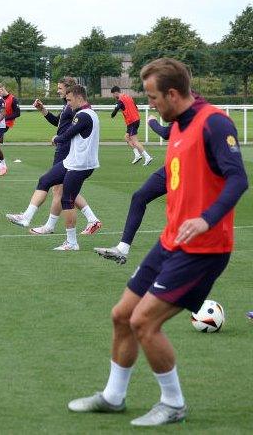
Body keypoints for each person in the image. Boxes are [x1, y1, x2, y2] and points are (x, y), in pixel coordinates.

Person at [67, 58, 246, 426]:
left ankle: (173, 402)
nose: (149, 106)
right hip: (170, 243)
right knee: (121, 316)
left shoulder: (213, 122)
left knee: (143, 322)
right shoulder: (177, 124)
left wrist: (205, 218)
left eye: (152, 98)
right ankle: (114, 397)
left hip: (203, 248)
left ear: (174, 93)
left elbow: (237, 179)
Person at [95, 95, 207, 265]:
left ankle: (198, 254)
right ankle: (122, 248)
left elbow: (166, 133)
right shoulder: (180, 108)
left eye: (156, 99)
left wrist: (152, 121)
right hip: (172, 168)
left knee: (184, 214)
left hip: (190, 172)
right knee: (139, 197)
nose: (153, 105)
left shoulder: (191, 110)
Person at [6, 84, 99, 251]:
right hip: (72, 161)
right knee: (45, 180)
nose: (68, 104)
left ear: (79, 97)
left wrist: (57, 138)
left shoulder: (83, 115)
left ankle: (72, 243)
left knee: (67, 200)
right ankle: (26, 217)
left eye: (69, 100)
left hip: (80, 165)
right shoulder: (86, 113)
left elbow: (68, 134)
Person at [28, 77, 102, 236]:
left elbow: (67, 132)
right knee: (59, 189)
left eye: (61, 89)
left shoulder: (77, 111)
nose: (58, 91)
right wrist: (43, 110)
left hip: (70, 154)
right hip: (71, 154)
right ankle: (90, 220)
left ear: (73, 92)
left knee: (62, 193)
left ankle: (53, 228)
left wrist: (58, 139)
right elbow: (59, 124)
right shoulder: (71, 108)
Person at [111, 85, 153, 165]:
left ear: (116, 93)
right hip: (134, 120)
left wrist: (113, 114)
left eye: (113, 95)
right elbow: (136, 107)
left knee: (135, 141)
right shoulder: (128, 97)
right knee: (126, 138)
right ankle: (137, 155)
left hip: (132, 121)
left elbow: (115, 110)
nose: (113, 96)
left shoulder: (120, 100)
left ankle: (147, 157)